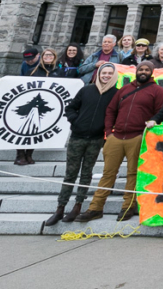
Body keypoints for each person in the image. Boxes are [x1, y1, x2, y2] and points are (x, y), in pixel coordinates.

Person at [77, 61, 163, 222]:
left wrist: (149, 127)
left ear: (151, 72)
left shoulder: (157, 91)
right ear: (136, 71)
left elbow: (162, 113)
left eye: (147, 69)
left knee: (133, 174)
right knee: (108, 174)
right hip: (116, 137)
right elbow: (111, 110)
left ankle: (128, 206)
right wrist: (108, 132)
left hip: (137, 137)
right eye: (141, 69)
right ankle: (95, 208)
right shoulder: (124, 89)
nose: (144, 72)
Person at [44, 61, 120, 226]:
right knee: (70, 173)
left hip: (96, 139)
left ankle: (78, 205)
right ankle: (60, 207)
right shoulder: (86, 90)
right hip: (78, 136)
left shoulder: (116, 94)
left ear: (114, 76)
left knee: (86, 173)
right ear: (98, 74)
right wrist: (75, 121)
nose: (106, 76)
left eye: (109, 73)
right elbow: (71, 108)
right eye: (103, 73)